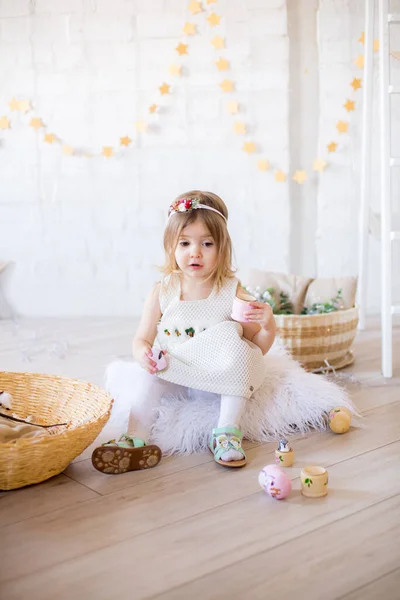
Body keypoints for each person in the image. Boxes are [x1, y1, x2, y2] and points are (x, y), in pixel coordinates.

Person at [92, 191, 276, 475]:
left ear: (222, 248)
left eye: (207, 243)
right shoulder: (162, 291)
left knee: (238, 350)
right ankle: (135, 438)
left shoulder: (231, 290)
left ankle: (226, 431)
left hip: (220, 373)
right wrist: (144, 355)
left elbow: (256, 349)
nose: (195, 252)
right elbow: (141, 338)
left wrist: (267, 325)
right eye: (185, 243)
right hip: (178, 366)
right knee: (148, 381)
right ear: (171, 247)